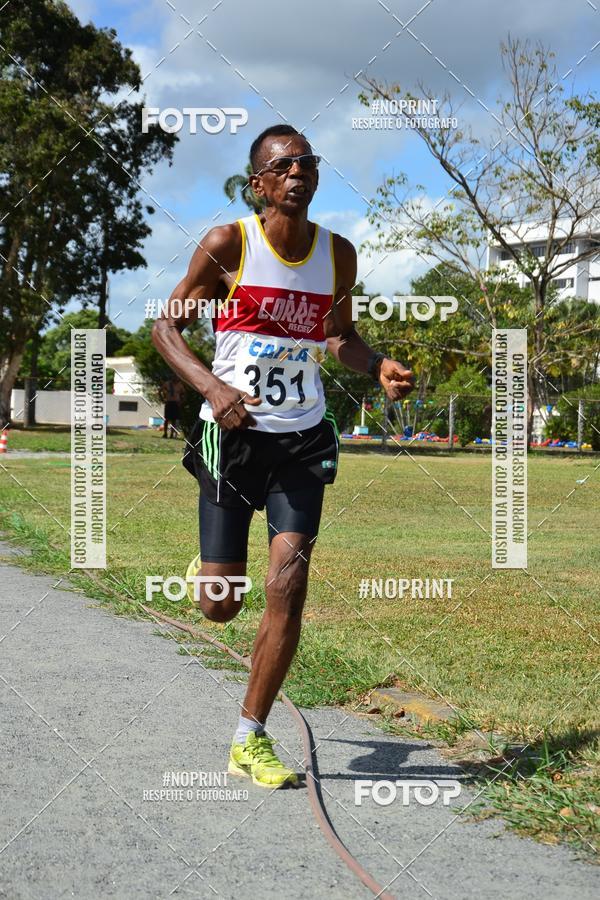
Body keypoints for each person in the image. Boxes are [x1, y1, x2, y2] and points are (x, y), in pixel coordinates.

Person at [152, 124, 414, 788]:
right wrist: (212, 386)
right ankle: (213, 572)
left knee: (288, 583)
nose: (299, 171)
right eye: (284, 164)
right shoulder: (227, 245)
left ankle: (250, 736)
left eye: (308, 162)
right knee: (220, 603)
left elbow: (339, 337)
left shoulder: (338, 255)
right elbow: (166, 326)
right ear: (259, 184)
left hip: (302, 437)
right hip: (232, 438)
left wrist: (376, 362)